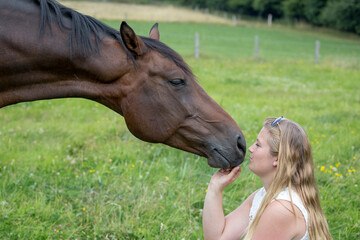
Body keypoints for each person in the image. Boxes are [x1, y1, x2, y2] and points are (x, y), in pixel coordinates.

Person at [203, 117, 332, 240]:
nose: (251, 148)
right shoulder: (262, 196)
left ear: (277, 159)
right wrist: (215, 187)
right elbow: (218, 237)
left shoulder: (281, 210)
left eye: (258, 145)